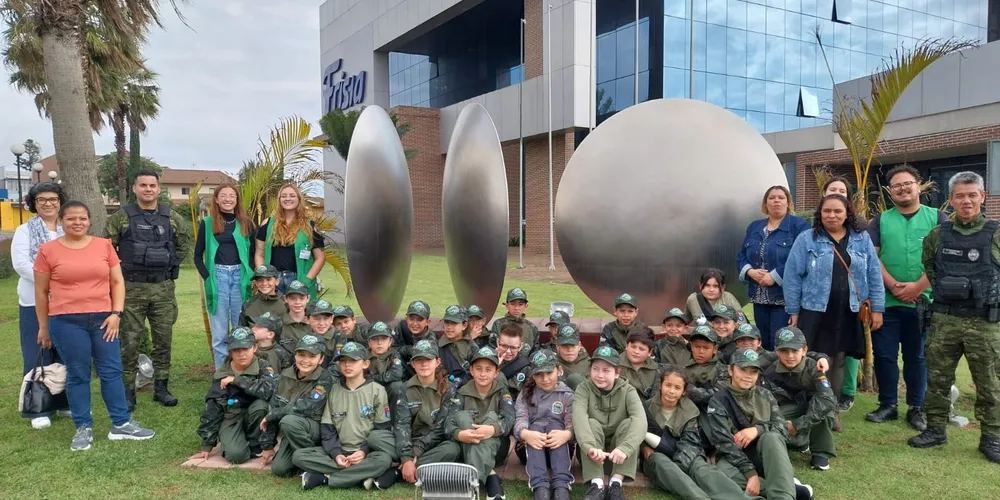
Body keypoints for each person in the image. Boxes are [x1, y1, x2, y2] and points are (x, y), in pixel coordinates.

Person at [34, 201, 155, 451]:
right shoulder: (48, 250)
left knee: (111, 370)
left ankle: (120, 424)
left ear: (89, 221)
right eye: (71, 218)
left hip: (104, 320)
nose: (77, 222)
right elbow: (41, 291)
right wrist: (43, 327)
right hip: (66, 321)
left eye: (82, 218)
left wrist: (116, 313)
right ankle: (83, 428)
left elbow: (117, 282)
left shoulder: (104, 246)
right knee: (78, 374)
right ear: (61, 221)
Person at [909, 171, 1000, 464]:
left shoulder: (996, 233)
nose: (966, 201)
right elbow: (931, 270)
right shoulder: (938, 235)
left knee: (990, 383)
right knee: (937, 379)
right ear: (951, 199)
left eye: (972, 194)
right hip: (945, 320)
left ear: (982, 197)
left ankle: (992, 437)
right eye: (960, 195)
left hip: (985, 323)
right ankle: (935, 429)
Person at [784, 194, 885, 431]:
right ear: (820, 213)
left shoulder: (861, 239)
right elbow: (792, 277)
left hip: (848, 310)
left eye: (837, 211)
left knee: (839, 360)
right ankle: (812, 408)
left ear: (847, 213)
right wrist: (793, 310)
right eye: (826, 211)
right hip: (814, 310)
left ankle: (831, 411)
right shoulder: (807, 239)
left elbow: (873, 274)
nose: (832, 215)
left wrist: (878, 308)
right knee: (816, 360)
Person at [104, 170, 192, 411]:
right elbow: (107, 250)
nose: (148, 189)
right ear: (134, 188)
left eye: (152, 185)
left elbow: (183, 245)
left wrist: (167, 264)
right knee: (130, 342)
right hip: (131, 289)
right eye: (143, 185)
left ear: (158, 188)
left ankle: (161, 387)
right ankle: (128, 391)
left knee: (163, 341)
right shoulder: (120, 217)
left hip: (163, 289)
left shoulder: (172, 217)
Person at [866, 165, 944, 430]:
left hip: (924, 303)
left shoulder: (938, 218)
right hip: (888, 302)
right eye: (896, 186)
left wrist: (918, 287)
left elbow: (944, 259)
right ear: (890, 191)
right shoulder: (880, 221)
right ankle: (887, 404)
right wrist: (893, 284)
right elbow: (872, 256)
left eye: (907, 183)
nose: (902, 189)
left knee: (917, 357)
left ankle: (916, 407)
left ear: (918, 185)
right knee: (885, 356)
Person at [641, 366, 759, 500]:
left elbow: (690, 441)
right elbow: (636, 432)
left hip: (686, 453)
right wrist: (644, 447)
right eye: (668, 385)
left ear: (684, 391)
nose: (671, 391)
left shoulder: (690, 410)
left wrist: (683, 465)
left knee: (703, 470)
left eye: (677, 388)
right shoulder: (646, 408)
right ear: (660, 385)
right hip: (658, 456)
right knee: (660, 462)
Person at [703, 349, 803, 500]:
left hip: (766, 455)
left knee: (772, 437)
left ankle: (783, 496)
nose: (748, 376)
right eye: (743, 370)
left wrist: (758, 430)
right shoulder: (718, 401)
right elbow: (723, 443)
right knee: (721, 472)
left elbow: (782, 427)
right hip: (736, 457)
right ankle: (787, 486)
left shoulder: (765, 395)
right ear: (730, 370)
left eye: (753, 371)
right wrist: (751, 474)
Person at [296, 342, 396, 490]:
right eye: (343, 361)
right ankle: (360, 476)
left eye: (353, 361)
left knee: (384, 460)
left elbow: (382, 429)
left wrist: (363, 451)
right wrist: (336, 454)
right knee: (299, 456)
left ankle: (326, 478)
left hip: (366, 453)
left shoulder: (377, 390)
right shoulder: (334, 390)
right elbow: (327, 430)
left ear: (365, 363)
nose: (347, 365)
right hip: (339, 451)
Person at [12, 182, 69, 430]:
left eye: (53, 199)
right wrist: (52, 279)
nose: (48, 203)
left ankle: (64, 401)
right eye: (42, 199)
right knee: (38, 350)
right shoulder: (25, 231)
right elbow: (22, 264)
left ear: (60, 201)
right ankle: (39, 406)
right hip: (35, 300)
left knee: (65, 352)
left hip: (67, 301)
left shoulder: (68, 229)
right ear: (33, 203)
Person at [738, 185, 810, 350]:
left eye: (781, 197)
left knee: (780, 343)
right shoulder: (754, 227)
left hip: (784, 299)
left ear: (788, 202)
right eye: (772, 198)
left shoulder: (799, 226)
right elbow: (741, 255)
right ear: (765, 204)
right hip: (758, 297)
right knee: (762, 344)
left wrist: (776, 275)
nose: (776, 200)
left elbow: (802, 257)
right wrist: (750, 272)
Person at [192, 327, 277, 464]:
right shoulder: (222, 373)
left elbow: (269, 391)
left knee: (262, 405)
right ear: (230, 352)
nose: (241, 354)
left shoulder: (263, 367)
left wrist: (237, 380)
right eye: (236, 350)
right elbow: (213, 409)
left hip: (255, 416)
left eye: (245, 349)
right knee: (237, 456)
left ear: (254, 348)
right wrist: (207, 444)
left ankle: (256, 445)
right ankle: (240, 443)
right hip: (231, 417)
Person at [573, 346, 646, 500]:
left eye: (606, 370)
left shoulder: (628, 390)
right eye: (596, 369)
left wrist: (625, 449)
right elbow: (578, 418)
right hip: (592, 456)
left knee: (629, 423)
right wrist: (589, 447)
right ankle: (597, 484)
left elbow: (640, 421)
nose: (600, 375)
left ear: (617, 373)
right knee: (590, 423)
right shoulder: (583, 389)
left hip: (619, 458)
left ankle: (616, 483)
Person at [196, 183, 256, 369]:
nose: (228, 199)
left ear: (237, 200)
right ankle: (221, 375)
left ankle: (241, 372)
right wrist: (208, 277)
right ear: (216, 199)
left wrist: (251, 274)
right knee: (220, 333)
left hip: (240, 277)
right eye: (224, 195)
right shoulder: (207, 223)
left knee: (240, 329)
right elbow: (198, 255)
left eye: (232, 196)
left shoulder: (246, 223)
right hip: (218, 277)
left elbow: (254, 252)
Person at [444, 346, 515, 500]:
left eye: (488, 369)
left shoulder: (503, 392)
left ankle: (470, 483)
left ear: (496, 372)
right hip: (466, 443)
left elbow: (509, 420)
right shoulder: (461, 392)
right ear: (471, 370)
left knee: (492, 417)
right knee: (462, 417)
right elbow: (449, 422)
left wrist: (492, 430)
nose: (483, 374)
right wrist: (459, 434)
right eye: (478, 369)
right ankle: (491, 477)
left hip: (497, 449)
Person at [763, 327, 837, 472]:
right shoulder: (769, 370)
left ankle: (821, 452)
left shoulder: (815, 367)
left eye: (795, 351)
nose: (790, 355)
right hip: (788, 407)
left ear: (804, 350)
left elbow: (827, 399)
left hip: (812, 406)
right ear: (777, 351)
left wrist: (798, 425)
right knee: (767, 418)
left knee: (824, 409)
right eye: (784, 351)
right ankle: (798, 442)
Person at [820, 176, 862, 411]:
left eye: (842, 190)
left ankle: (845, 394)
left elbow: (871, 271)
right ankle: (821, 398)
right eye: (832, 189)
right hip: (819, 305)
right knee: (822, 353)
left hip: (850, 304)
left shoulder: (860, 232)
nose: (837, 192)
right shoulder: (812, 233)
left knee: (845, 352)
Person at [396, 340, 462, 485]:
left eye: (428, 359)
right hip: (411, 440)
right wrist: (407, 456)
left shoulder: (449, 389)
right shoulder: (404, 388)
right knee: (379, 437)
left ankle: (399, 471)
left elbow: (440, 428)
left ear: (437, 362)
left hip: (434, 444)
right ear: (413, 364)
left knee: (452, 449)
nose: (424, 364)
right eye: (419, 360)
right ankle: (409, 465)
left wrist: (416, 451)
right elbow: (402, 424)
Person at [514, 349, 574, 500]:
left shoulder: (567, 395)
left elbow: (573, 423)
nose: (545, 378)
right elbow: (520, 419)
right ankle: (540, 486)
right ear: (533, 376)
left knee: (556, 427)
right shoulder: (526, 394)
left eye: (549, 372)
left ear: (559, 370)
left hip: (560, 445)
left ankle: (562, 484)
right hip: (532, 447)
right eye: (539, 374)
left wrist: (567, 434)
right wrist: (525, 434)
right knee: (535, 427)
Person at [254, 183, 326, 297]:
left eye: (292, 195)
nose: (288, 198)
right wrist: (264, 277)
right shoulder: (267, 224)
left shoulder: (310, 226)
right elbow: (259, 254)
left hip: (299, 280)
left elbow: (320, 257)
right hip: (273, 281)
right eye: (284, 196)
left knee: (299, 314)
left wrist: (307, 280)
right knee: (274, 313)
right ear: (279, 200)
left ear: (299, 199)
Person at [619, 329, 658, 400]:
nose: (636, 351)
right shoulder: (615, 365)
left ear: (649, 352)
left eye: (641, 349)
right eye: (633, 347)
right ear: (627, 346)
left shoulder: (656, 371)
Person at [439, 305, 474, 384]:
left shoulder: (471, 347)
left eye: (454, 323)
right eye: (447, 322)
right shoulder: (438, 345)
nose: (449, 327)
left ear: (464, 325)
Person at [553, 323, 589, 390]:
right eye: (565, 346)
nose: (569, 349)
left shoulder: (590, 364)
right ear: (557, 347)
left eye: (573, 345)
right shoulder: (551, 365)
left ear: (579, 346)